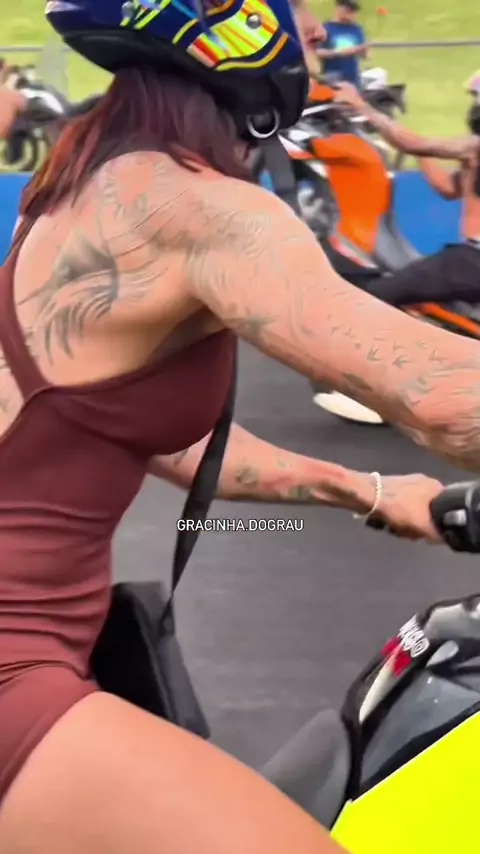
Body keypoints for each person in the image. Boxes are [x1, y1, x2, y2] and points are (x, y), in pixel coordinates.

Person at [0, 0, 480, 849]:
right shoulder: (197, 209)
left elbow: (172, 445)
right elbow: (440, 395)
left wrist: (374, 491)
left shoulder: (81, 189)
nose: (317, 30)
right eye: (299, 6)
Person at [312, 78, 480, 424]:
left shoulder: (474, 147)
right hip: (467, 257)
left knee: (376, 297)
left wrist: (362, 107)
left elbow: (410, 141)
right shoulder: (474, 156)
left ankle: (374, 398)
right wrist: (419, 151)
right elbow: (447, 188)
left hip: (472, 260)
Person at [316, 0, 368, 87]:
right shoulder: (325, 28)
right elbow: (316, 53)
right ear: (338, 8)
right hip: (331, 78)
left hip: (353, 78)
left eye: (353, 11)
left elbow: (364, 55)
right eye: (348, 10)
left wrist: (363, 51)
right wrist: (338, 52)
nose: (351, 13)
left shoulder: (356, 29)